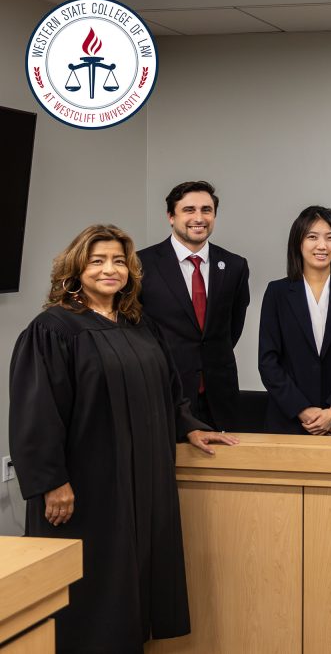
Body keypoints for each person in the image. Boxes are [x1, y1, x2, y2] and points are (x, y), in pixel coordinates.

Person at [8, 225, 238, 654]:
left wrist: (188, 425)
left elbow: (169, 389)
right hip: (88, 489)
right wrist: (51, 482)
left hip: (143, 480)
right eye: (97, 261)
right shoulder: (54, 328)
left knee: (135, 577)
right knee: (95, 583)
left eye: (118, 261)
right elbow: (36, 413)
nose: (109, 270)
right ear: (75, 269)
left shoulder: (138, 324)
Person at [138, 180, 250, 429]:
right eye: (189, 210)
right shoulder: (141, 265)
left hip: (220, 397)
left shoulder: (234, 266)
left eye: (206, 210)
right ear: (170, 216)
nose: (199, 218)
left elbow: (233, 327)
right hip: (165, 392)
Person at [258, 206, 331, 435]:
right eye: (312, 237)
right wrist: (303, 410)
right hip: (288, 420)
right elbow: (268, 361)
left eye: (330, 237)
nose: (322, 246)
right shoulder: (277, 292)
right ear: (298, 242)